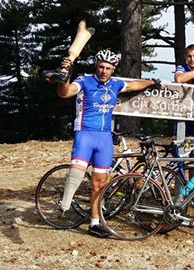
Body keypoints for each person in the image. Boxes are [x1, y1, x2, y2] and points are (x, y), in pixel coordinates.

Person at [56, 49, 158, 238]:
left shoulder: (116, 84)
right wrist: (64, 79)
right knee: (76, 174)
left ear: (113, 69)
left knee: (100, 183)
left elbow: (134, 84)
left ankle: (94, 223)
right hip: (85, 134)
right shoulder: (84, 80)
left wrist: (153, 82)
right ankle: (64, 204)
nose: (104, 71)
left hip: (104, 138)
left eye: (108, 68)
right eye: (101, 67)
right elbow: (65, 93)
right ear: (97, 66)